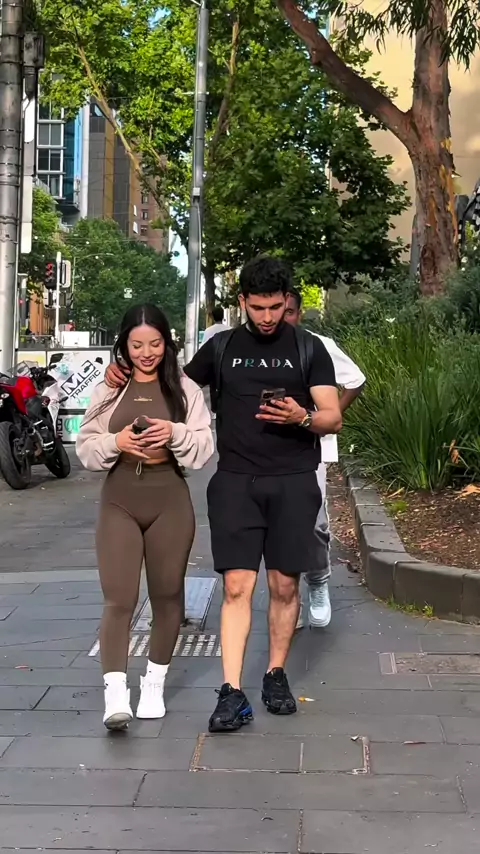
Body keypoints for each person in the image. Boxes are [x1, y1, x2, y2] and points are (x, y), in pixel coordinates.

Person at [104, 256, 341, 733]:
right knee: (236, 587)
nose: (267, 317)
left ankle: (275, 674)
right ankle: (231, 691)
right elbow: (171, 384)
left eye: (275, 307)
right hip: (235, 481)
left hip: (294, 479)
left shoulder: (308, 347)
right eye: (258, 307)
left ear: (287, 301)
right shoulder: (222, 347)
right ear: (242, 302)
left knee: (284, 586)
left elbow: (332, 416)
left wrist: (300, 416)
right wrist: (121, 370)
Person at [76, 304, 214, 731]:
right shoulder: (109, 387)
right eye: (136, 345)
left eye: (154, 343)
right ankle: (115, 694)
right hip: (119, 500)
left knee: (167, 596)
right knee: (119, 599)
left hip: (170, 500)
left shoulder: (184, 388)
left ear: (167, 343)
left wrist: (173, 432)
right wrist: (116, 442)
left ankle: (154, 684)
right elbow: (86, 448)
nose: (146, 353)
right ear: (124, 345)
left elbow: (204, 447)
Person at [284, 289, 366, 628]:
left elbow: (356, 380)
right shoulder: (254, 349)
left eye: (289, 311)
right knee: (278, 526)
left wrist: (327, 416)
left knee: (313, 523)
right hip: (267, 450)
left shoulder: (318, 345)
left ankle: (318, 580)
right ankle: (289, 600)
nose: (280, 318)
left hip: (311, 448)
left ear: (299, 313)